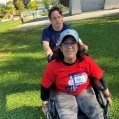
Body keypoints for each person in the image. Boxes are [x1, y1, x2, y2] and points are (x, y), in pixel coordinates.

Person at [41, 29, 112, 119]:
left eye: (73, 42)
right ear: (61, 47)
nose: (69, 46)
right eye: (65, 43)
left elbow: (100, 77)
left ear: (78, 46)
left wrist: (107, 95)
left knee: (97, 114)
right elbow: (45, 86)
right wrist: (44, 102)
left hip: (84, 90)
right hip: (63, 94)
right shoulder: (52, 66)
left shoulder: (86, 61)